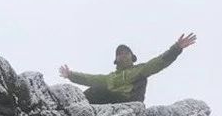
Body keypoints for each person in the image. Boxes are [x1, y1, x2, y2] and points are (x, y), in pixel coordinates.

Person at [59, 33, 197, 104]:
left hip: (128, 100)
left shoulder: (139, 70)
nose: (123, 55)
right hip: (110, 100)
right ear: (116, 59)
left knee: (97, 91)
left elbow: (159, 62)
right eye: (119, 54)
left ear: (132, 56)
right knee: (91, 91)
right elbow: (90, 79)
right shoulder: (110, 77)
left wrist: (176, 48)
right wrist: (71, 75)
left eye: (126, 53)